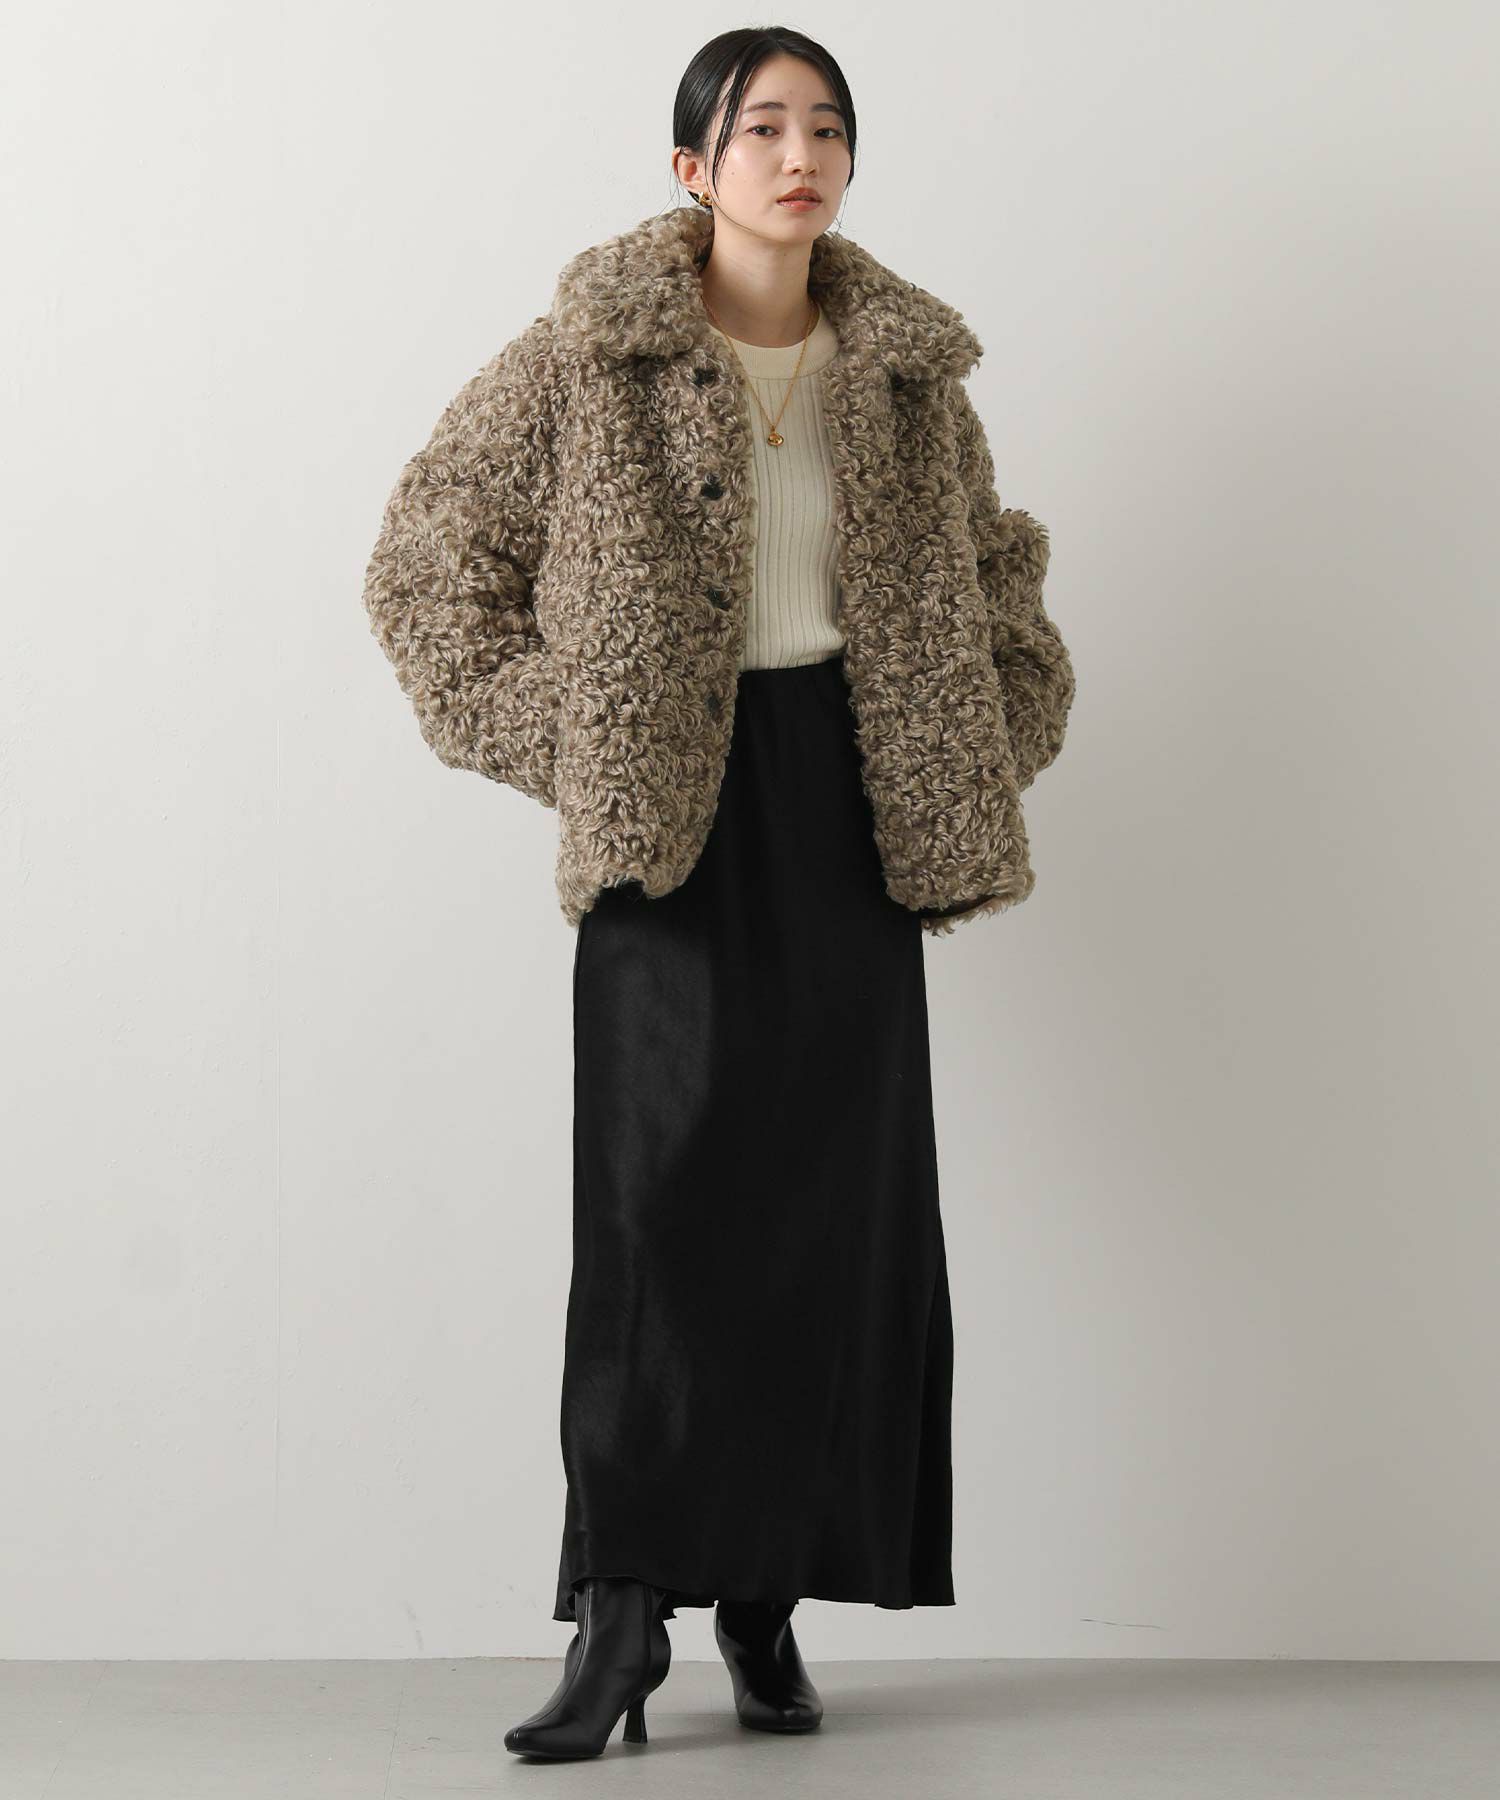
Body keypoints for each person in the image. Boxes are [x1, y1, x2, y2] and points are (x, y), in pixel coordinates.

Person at [361, 25, 1076, 1764]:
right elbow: (426, 563)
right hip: (669, 812)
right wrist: (580, 732)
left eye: (827, 126)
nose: (798, 154)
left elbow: (1002, 577)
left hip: (852, 802)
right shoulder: (586, 351)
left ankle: (767, 1596)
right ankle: (623, 1610)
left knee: (837, 1213)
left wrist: (994, 720)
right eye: (760, 128)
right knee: (655, 1213)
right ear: (693, 167)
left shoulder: (904, 374)